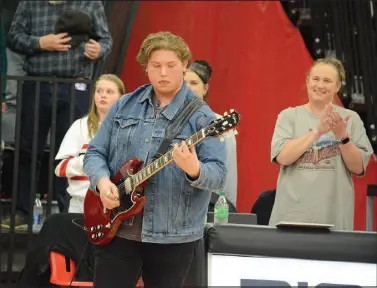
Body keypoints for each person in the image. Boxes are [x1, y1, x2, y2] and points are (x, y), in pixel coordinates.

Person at [83, 31, 227, 288]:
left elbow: (218, 175)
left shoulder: (204, 118)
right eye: (156, 66)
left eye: (171, 66)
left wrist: (194, 170)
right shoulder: (124, 105)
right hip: (117, 228)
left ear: (184, 65)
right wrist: (103, 182)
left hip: (174, 237)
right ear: (146, 67)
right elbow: (95, 153)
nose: (163, 73)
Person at [2, 1, 112, 229]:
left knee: (73, 154)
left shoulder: (90, 3)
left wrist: (99, 50)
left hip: (76, 85)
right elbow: (13, 37)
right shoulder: (30, 3)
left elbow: (106, 41)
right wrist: (40, 43)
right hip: (37, 83)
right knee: (27, 149)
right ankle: (22, 213)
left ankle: (68, 214)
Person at [17, 74, 125, 287]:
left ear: (122, 97)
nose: (102, 96)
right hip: (80, 206)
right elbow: (60, 167)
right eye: (99, 91)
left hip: (117, 210)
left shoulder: (128, 129)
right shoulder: (80, 126)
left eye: (109, 92)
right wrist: (89, 161)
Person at [269, 57, 374, 230]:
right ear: (307, 80)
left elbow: (358, 167)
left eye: (327, 81)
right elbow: (283, 157)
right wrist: (317, 132)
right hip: (291, 217)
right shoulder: (288, 116)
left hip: (335, 219)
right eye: (316, 79)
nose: (320, 85)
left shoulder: (351, 119)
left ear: (338, 86)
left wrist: (342, 136)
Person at [184, 60, 238, 207]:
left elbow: (228, 173)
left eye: (194, 83)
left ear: (205, 88)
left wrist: (226, 206)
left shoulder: (218, 123)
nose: (188, 88)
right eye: (184, 83)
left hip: (208, 204)